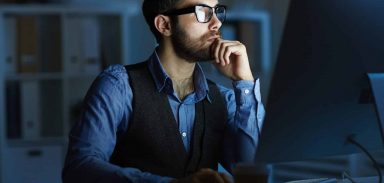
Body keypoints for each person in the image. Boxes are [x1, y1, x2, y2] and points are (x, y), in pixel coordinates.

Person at [62, 0, 265, 182]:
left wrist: (244, 82)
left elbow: (253, 169)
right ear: (164, 25)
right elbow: (79, 168)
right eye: (203, 12)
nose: (217, 23)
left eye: (217, 11)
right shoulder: (118, 86)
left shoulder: (224, 98)